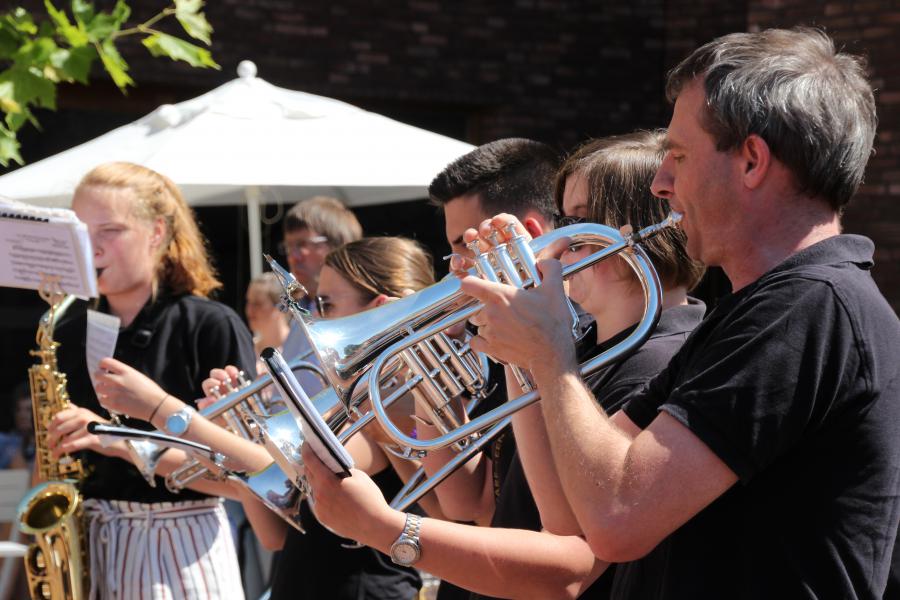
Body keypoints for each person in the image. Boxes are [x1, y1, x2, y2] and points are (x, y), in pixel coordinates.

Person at [450, 28, 899, 599]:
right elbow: (573, 517)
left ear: (752, 161)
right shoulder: (759, 308)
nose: (662, 183)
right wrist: (524, 351)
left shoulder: (807, 305)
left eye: (679, 157)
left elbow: (617, 518)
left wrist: (550, 352)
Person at [300, 130, 705, 599]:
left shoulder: (657, 357)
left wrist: (387, 528)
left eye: (576, 224)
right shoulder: (585, 345)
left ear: (632, 229)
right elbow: (490, 501)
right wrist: (517, 355)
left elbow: (564, 540)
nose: (558, 240)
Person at [46, 161, 256, 600]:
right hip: (92, 546)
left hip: (183, 550)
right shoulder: (64, 330)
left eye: (110, 231)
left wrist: (116, 441)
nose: (92, 248)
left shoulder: (211, 325)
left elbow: (243, 480)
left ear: (157, 232)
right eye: (81, 232)